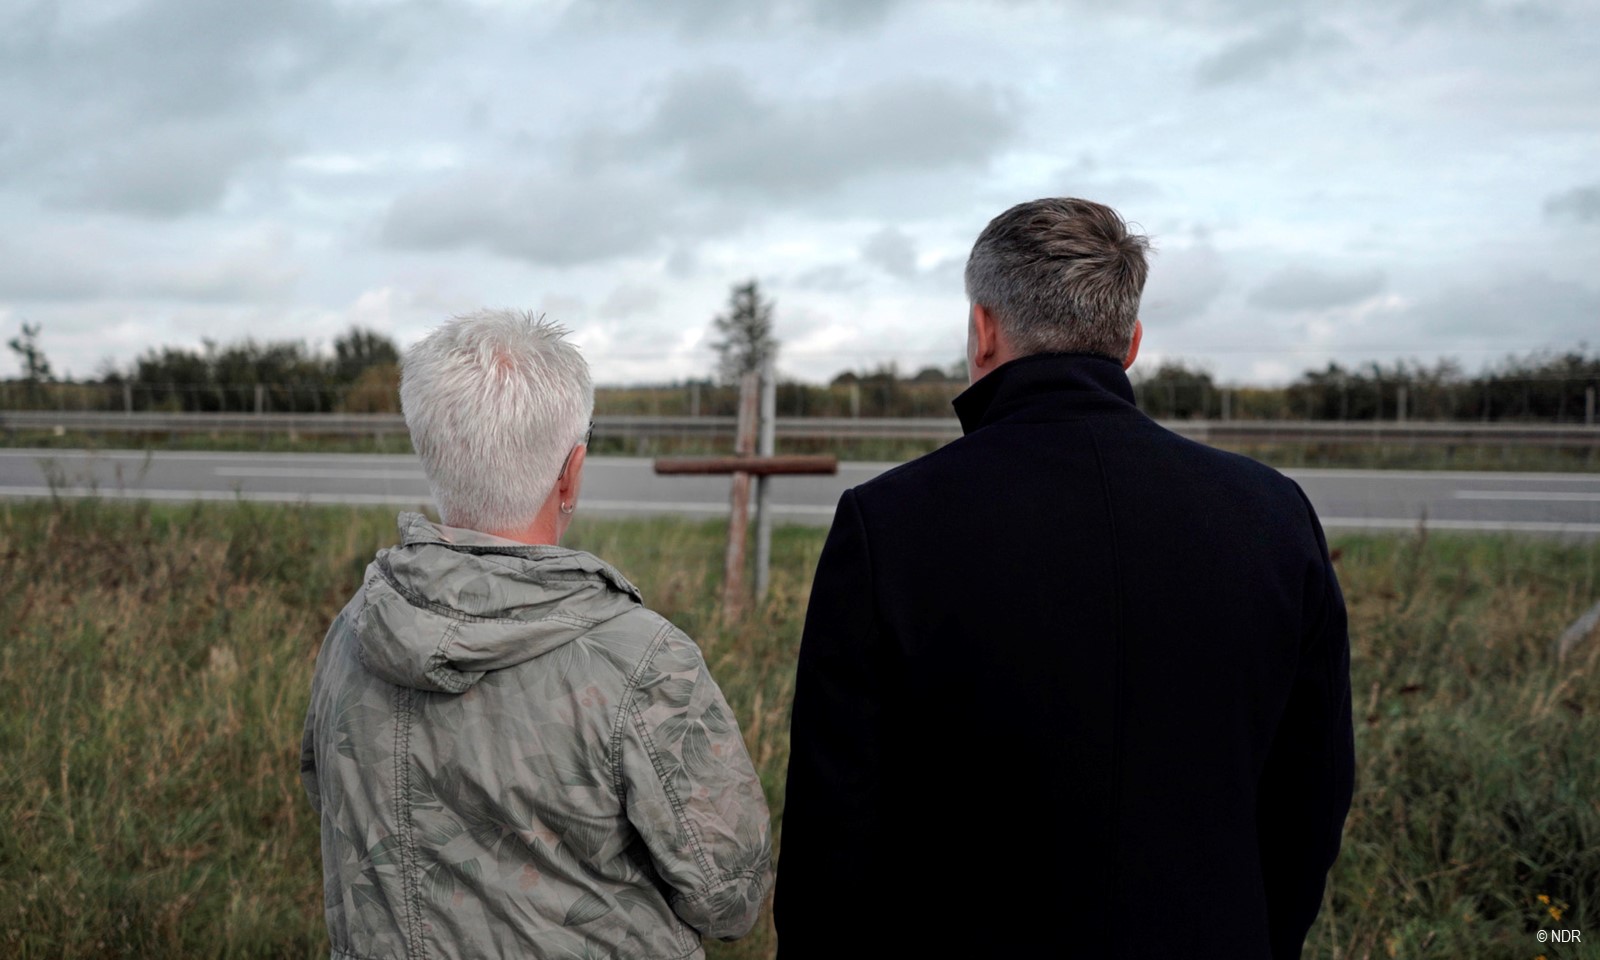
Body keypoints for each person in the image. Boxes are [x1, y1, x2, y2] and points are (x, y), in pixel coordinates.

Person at [775, 198, 1354, 959]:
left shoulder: (889, 523)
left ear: (983, 329)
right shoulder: (1274, 515)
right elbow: (1311, 795)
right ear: (1132, 343)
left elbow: (834, 822)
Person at [300, 310, 772, 960]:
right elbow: (729, 899)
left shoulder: (353, 634)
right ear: (570, 473)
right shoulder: (643, 661)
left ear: (432, 452)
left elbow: (329, 801)